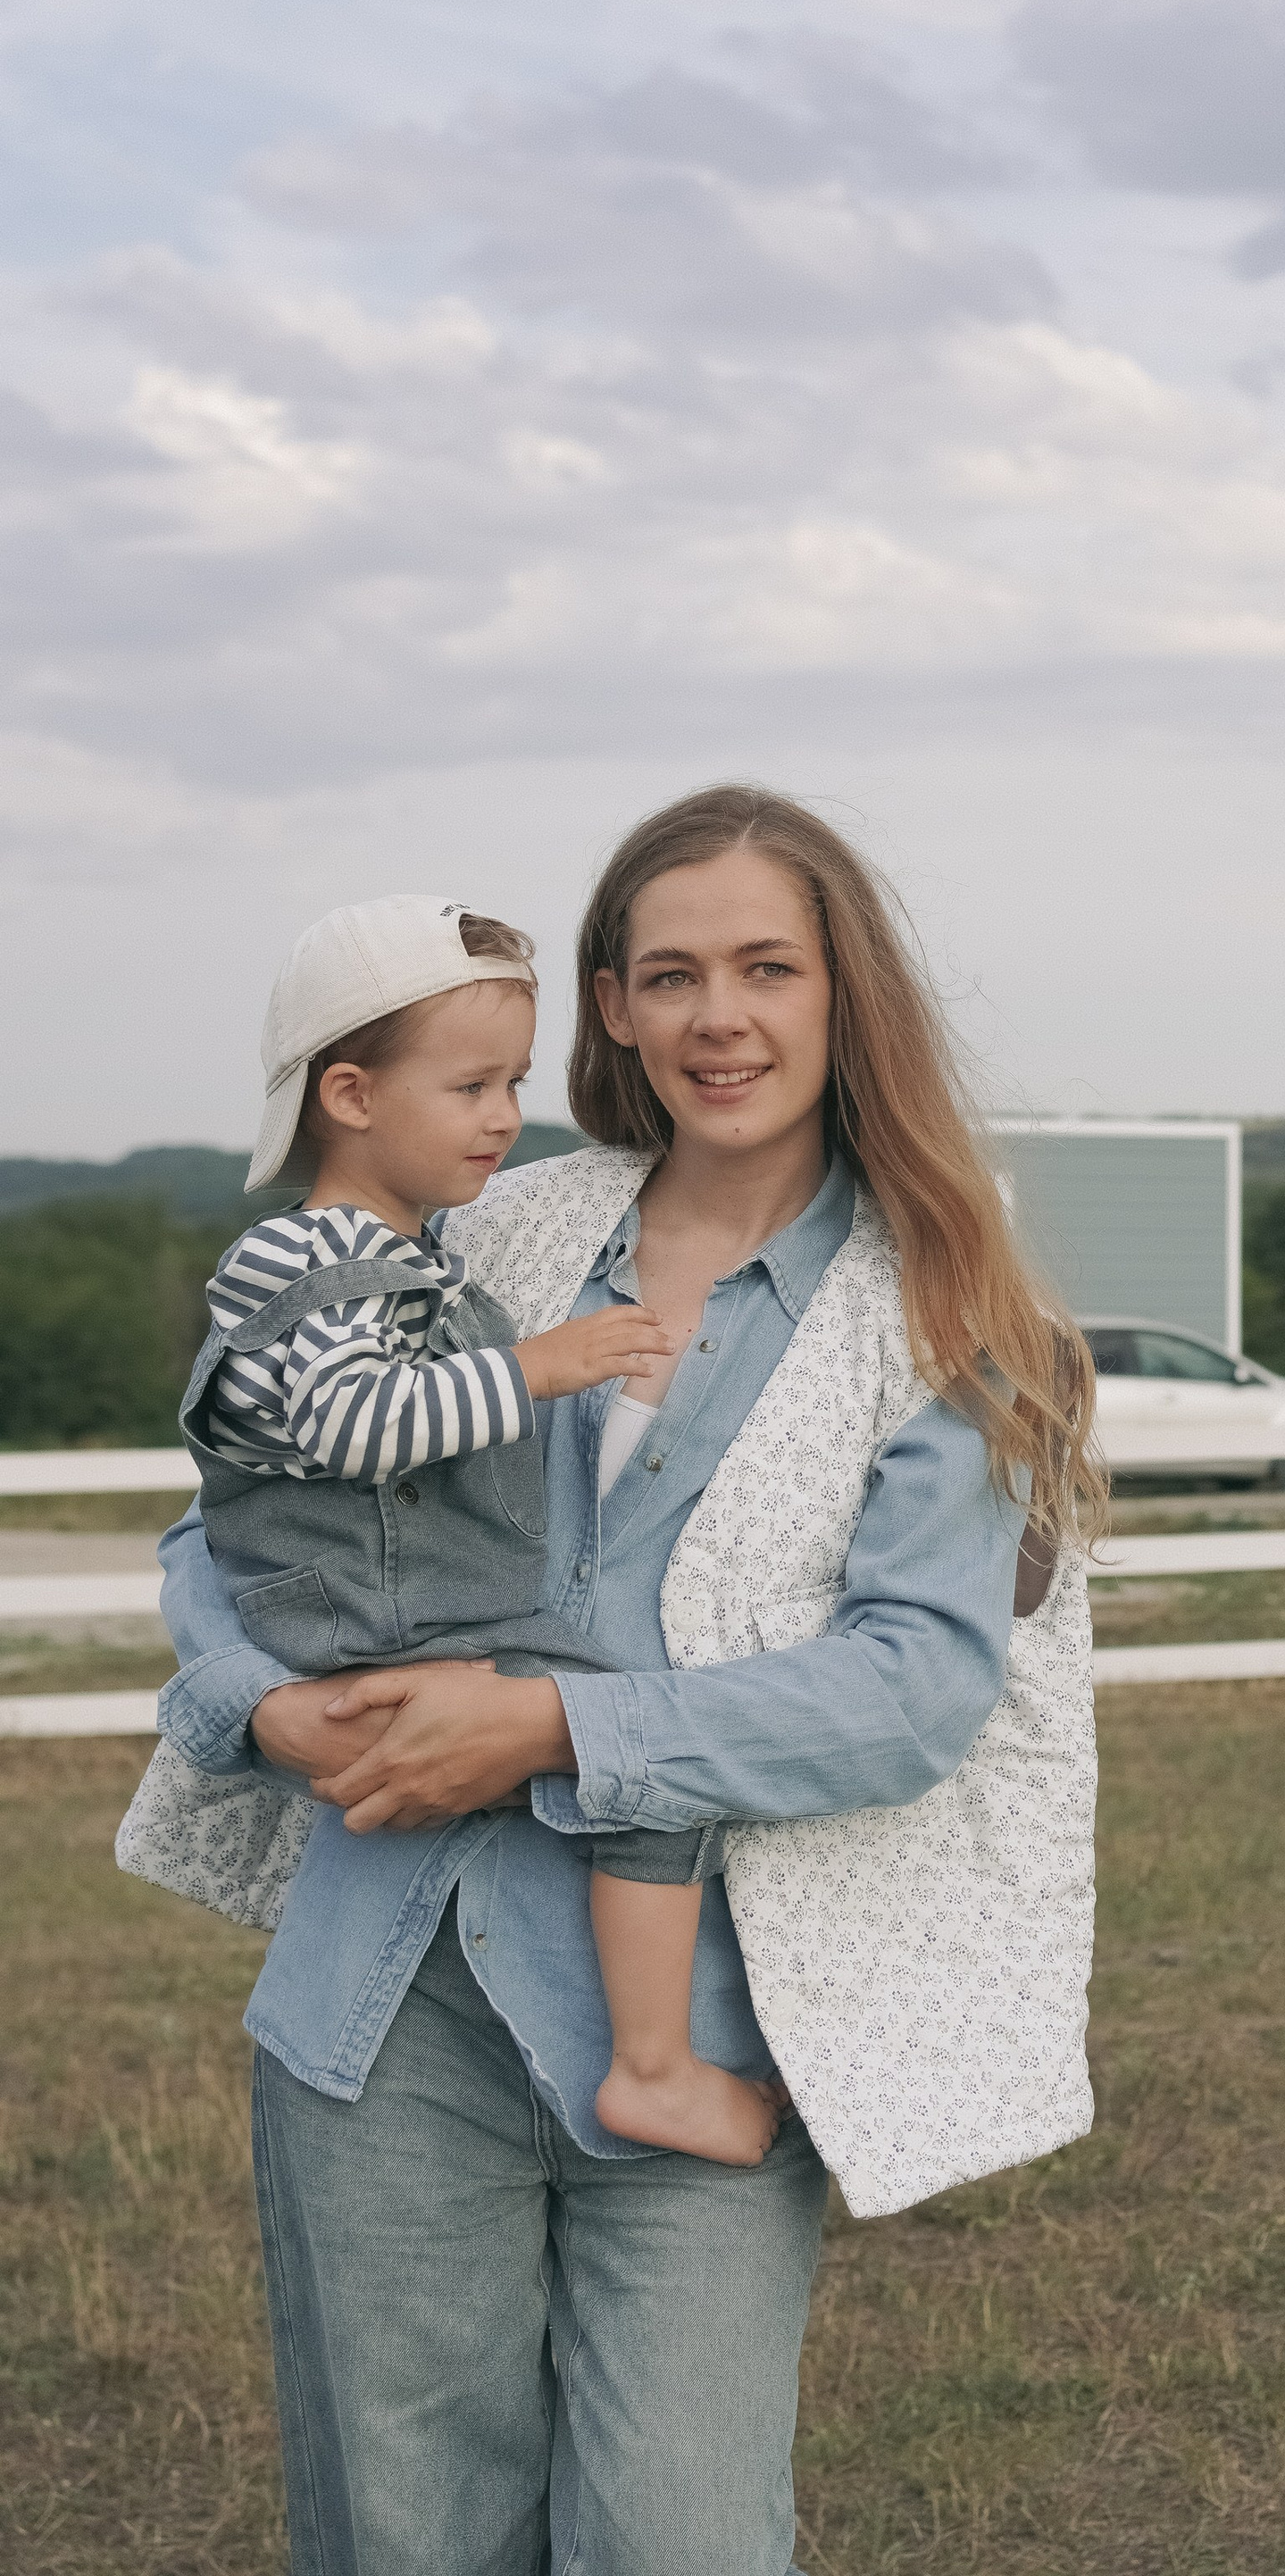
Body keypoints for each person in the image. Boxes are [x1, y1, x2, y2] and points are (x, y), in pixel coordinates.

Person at [120, 787, 1102, 2576]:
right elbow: (235, 1528)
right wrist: (254, 1704)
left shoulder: (945, 1308)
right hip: (387, 2006)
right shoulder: (476, 1225)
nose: (718, 1014)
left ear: (842, 994)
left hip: (704, 2020)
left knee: (679, 2541)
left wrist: (554, 1725)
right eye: (671, 974)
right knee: (402, 2539)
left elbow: (908, 1689)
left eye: (765, 966)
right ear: (615, 1006)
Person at [181, 889, 782, 2165]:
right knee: (639, 1746)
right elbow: (348, 1425)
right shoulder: (296, 1261)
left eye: (512, 1081)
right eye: (471, 1087)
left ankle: (638, 2054)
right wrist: (538, 1368)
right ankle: (654, 2063)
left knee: (618, 1733)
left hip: (395, 1591)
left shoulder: (411, 1248)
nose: (506, 1117)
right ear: (349, 1095)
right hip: (366, 1600)